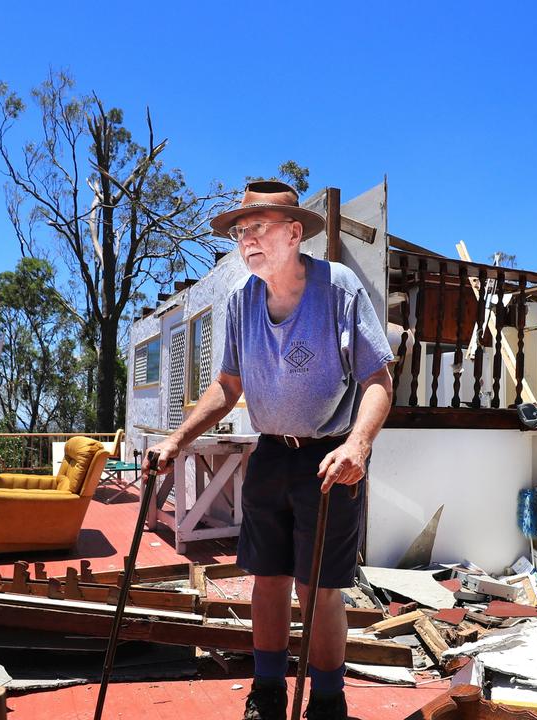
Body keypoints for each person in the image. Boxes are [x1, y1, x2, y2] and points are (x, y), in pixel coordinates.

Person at [149, 181, 394, 720]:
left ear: (294, 232)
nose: (247, 240)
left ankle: (328, 701)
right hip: (270, 453)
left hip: (329, 457)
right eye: (241, 231)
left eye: (258, 227)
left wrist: (358, 445)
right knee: (267, 579)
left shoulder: (339, 288)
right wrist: (176, 439)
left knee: (320, 587)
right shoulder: (241, 300)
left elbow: (378, 377)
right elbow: (227, 384)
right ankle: (267, 694)